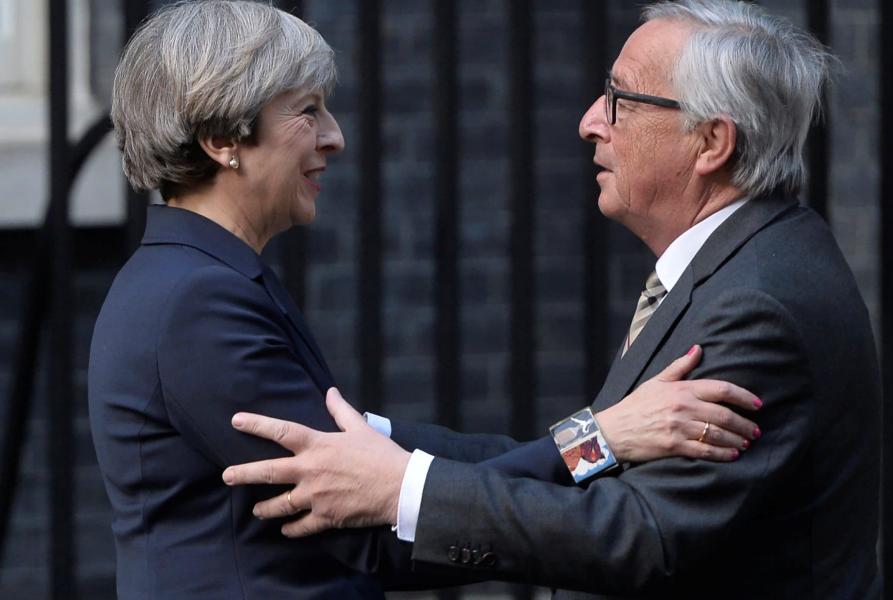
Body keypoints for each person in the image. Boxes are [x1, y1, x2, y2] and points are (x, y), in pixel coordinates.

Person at [87, 1, 762, 598]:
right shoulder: (198, 303)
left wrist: (594, 439)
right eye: (307, 110)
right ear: (222, 140)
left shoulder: (199, 282)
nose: (335, 137)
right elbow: (376, 529)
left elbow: (384, 459)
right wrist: (600, 439)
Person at [222, 1, 882, 598]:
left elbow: (640, 533)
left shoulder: (757, 304)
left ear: (712, 142)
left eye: (620, 100)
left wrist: (401, 488)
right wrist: (380, 442)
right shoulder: (741, 264)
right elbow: (610, 473)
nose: (591, 122)